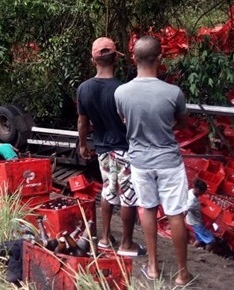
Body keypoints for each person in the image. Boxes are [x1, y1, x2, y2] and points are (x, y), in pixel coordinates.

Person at [115, 35, 193, 286]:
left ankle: (152, 267)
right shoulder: (173, 92)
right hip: (169, 160)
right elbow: (182, 124)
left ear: (134, 58)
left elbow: (124, 119)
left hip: (140, 161)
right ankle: (182, 273)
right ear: (160, 58)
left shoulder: (121, 92)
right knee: (176, 214)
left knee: (146, 208)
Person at [77, 37, 146, 257]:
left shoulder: (84, 89)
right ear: (115, 58)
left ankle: (105, 239)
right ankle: (126, 244)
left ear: (93, 60)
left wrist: (82, 144)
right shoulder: (124, 90)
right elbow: (131, 121)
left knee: (108, 189)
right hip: (125, 148)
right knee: (128, 195)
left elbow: (83, 122)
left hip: (102, 148)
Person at [185, 179, 215, 251]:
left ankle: (190, 251)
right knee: (211, 240)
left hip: (191, 221)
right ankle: (205, 256)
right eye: (203, 191)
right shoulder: (192, 202)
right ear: (198, 190)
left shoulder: (191, 191)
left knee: (199, 239)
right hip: (196, 223)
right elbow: (185, 210)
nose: (203, 193)